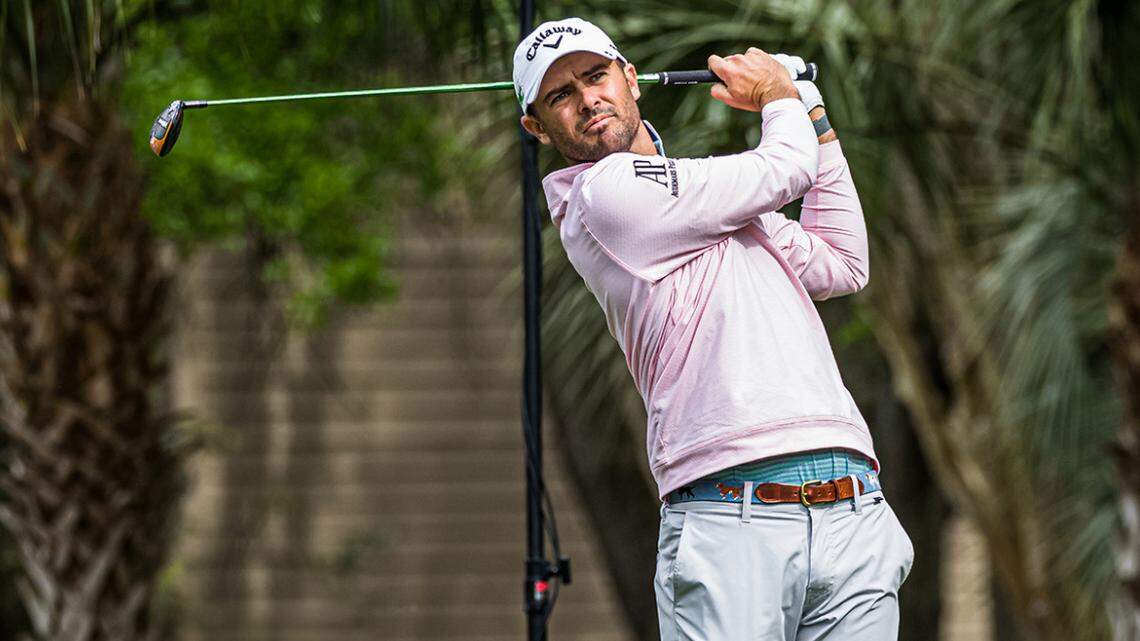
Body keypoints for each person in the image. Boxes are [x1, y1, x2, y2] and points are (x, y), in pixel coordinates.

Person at [513, 16, 913, 641]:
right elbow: (782, 171)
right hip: (731, 518)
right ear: (536, 127)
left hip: (852, 509)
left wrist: (811, 109)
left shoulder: (718, 206)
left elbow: (841, 261)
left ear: (631, 80)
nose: (588, 99)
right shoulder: (603, 196)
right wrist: (778, 94)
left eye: (595, 77)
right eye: (560, 94)